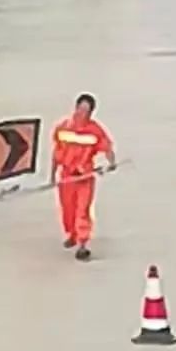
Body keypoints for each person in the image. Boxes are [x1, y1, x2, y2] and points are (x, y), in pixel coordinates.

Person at [50, 93, 115, 260]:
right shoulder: (63, 128)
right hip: (66, 177)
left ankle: (83, 243)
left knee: (82, 210)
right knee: (68, 210)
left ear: (91, 113)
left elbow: (107, 147)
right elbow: (56, 154)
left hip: (84, 176)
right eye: (80, 109)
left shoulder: (95, 130)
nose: (82, 113)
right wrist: (52, 176)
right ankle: (72, 235)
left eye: (86, 110)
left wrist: (111, 163)